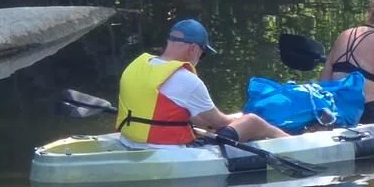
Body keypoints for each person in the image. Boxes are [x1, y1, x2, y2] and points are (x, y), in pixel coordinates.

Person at [116, 17, 288, 146]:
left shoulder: (136, 66)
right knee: (252, 121)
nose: (201, 58)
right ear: (193, 49)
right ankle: (295, 144)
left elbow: (167, 111)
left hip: (129, 140)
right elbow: (219, 123)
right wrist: (237, 117)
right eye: (203, 53)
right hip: (164, 149)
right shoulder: (186, 79)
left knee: (216, 121)